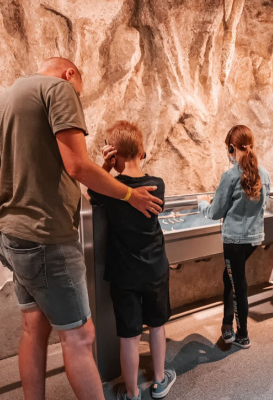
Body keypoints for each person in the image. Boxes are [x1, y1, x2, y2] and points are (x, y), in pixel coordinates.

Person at [0, 57, 163, 400]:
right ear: (70, 75)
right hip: (46, 239)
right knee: (80, 337)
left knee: (33, 329)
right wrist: (129, 194)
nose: (76, 97)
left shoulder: (0, 102)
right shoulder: (59, 89)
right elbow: (77, 165)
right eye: (79, 92)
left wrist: (21, 220)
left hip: (10, 237)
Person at [87, 121, 176, 400]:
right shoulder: (157, 185)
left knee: (129, 336)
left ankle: (132, 392)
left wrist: (105, 167)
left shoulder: (112, 189)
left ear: (114, 155)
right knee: (157, 325)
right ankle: (160, 381)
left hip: (124, 273)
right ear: (142, 151)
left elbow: (91, 191)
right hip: (154, 269)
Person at [197, 125, 271, 350]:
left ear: (231, 148)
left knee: (237, 284)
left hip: (234, 242)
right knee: (230, 278)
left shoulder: (230, 176)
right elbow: (262, 204)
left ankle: (242, 335)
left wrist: (202, 202)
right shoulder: (264, 174)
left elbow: (215, 212)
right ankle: (227, 325)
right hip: (253, 240)